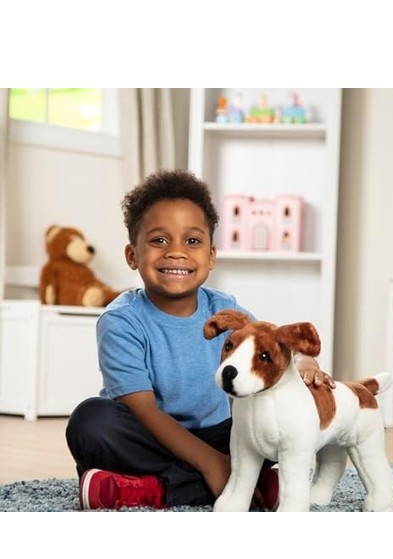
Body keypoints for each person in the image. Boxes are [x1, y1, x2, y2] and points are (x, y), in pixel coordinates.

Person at [66, 169, 334, 511]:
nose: (176, 252)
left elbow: (271, 351)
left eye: (192, 241)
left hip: (219, 434)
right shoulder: (121, 321)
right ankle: (235, 480)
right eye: (159, 241)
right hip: (149, 434)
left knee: (270, 418)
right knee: (91, 422)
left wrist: (305, 361)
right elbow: (143, 411)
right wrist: (211, 463)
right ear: (133, 255)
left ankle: (148, 490)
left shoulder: (225, 310)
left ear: (211, 256)